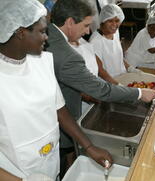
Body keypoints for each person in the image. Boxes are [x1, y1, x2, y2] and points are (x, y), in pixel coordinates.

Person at [0, 0, 114, 180]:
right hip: (16, 170)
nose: (47, 37)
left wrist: (89, 147)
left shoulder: (43, 62)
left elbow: (60, 110)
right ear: (20, 32)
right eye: (42, 32)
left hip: (50, 161)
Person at [46, 0, 155, 176]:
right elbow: (102, 90)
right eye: (86, 25)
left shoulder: (49, 33)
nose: (88, 31)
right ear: (69, 23)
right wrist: (140, 93)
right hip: (55, 121)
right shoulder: (67, 56)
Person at [90, 4, 140, 77]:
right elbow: (100, 71)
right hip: (110, 82)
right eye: (110, 21)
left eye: (117, 21)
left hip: (122, 75)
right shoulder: (95, 41)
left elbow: (118, 56)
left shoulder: (115, 33)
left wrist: (130, 68)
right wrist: (117, 84)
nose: (114, 25)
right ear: (103, 21)